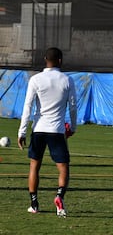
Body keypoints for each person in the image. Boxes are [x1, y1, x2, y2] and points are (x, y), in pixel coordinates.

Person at [17, 47, 77, 217]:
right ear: (60, 60)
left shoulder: (36, 79)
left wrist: (22, 132)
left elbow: (27, 106)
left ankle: (34, 203)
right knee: (63, 168)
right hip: (56, 130)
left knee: (34, 167)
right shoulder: (67, 80)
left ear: (45, 59)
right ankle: (59, 197)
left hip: (38, 130)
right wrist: (73, 127)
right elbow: (73, 106)